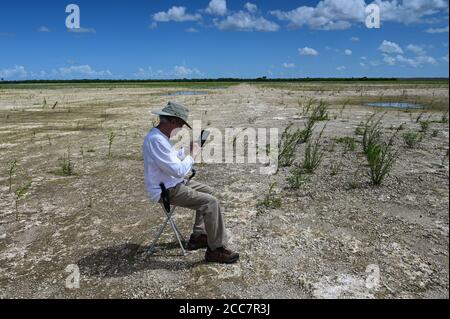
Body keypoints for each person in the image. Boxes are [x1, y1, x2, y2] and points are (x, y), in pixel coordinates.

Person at [143, 101, 239, 264]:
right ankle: (215, 250)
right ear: (173, 121)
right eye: (180, 125)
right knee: (211, 203)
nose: (181, 129)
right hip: (166, 190)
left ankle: (199, 236)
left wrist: (186, 149)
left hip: (173, 184)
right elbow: (179, 170)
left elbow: (172, 158)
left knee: (209, 192)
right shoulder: (156, 140)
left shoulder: (160, 137)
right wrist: (192, 155)